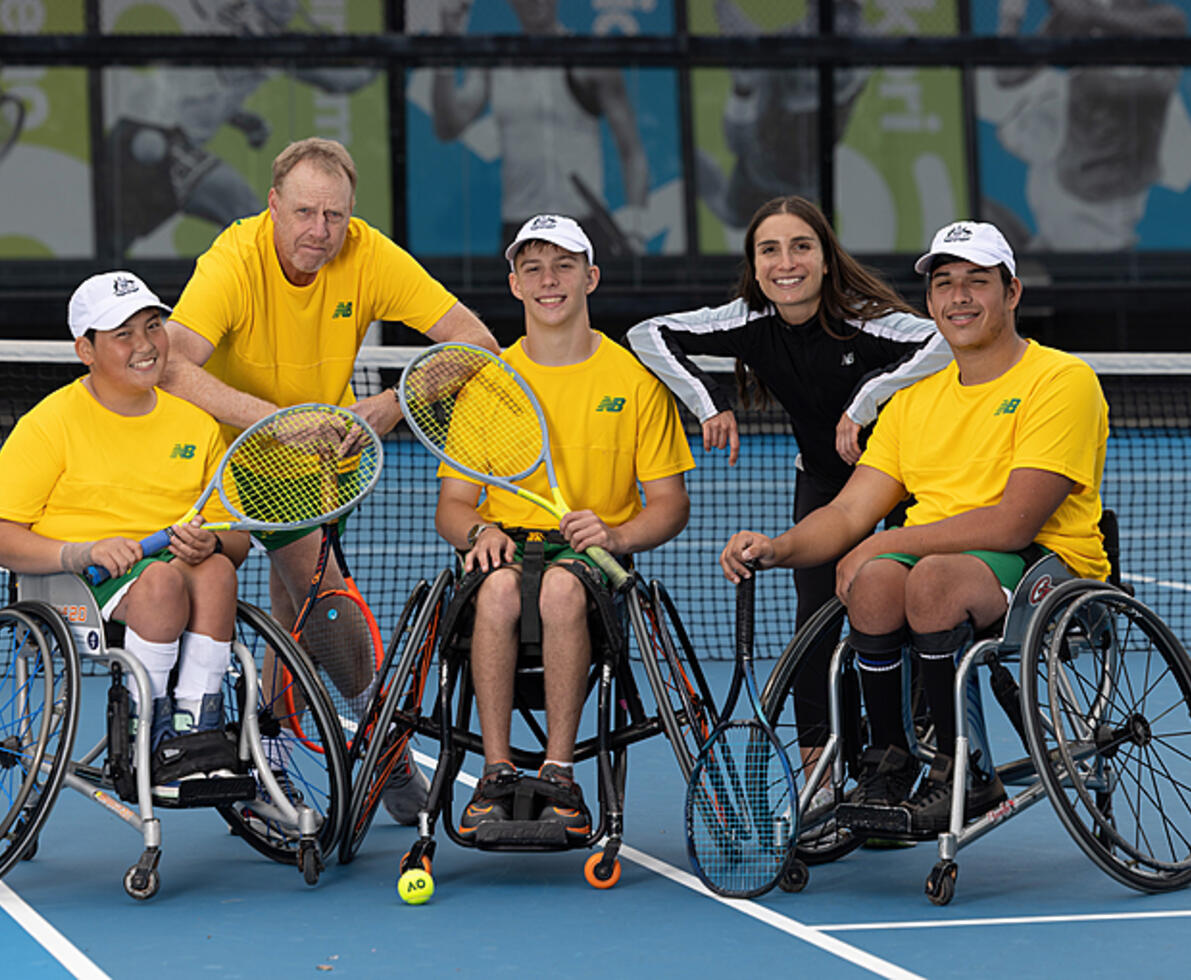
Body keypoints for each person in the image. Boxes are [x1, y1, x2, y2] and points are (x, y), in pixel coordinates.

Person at [720, 220, 1110, 834]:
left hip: (1044, 564)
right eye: (944, 284)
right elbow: (848, 513)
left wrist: (885, 541)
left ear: (1012, 292)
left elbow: (1014, 523)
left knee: (925, 580)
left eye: (976, 283)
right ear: (929, 302)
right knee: (876, 584)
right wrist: (780, 547)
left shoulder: (1062, 381)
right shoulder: (913, 401)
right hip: (941, 563)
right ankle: (891, 761)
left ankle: (964, 769)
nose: (958, 298)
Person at [160, 136, 499, 824]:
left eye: (335, 216)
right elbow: (170, 364)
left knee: (292, 614)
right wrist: (273, 421)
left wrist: (394, 401)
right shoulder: (233, 259)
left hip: (322, 470)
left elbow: (477, 345)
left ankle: (270, 752)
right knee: (326, 600)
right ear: (273, 205)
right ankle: (389, 753)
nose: (321, 231)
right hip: (230, 460)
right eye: (307, 213)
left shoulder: (367, 253)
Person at [627, 195, 951, 784]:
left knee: (903, 608)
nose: (786, 262)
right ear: (754, 266)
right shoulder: (749, 322)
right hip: (826, 480)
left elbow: (945, 341)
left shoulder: (870, 319)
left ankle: (917, 748)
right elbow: (647, 333)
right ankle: (819, 775)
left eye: (801, 246)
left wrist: (866, 398)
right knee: (815, 622)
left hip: (911, 479)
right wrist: (708, 403)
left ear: (827, 258)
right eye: (769, 250)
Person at [434, 214, 694, 838]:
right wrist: (478, 533)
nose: (549, 280)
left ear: (591, 277)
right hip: (501, 556)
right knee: (497, 589)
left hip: (592, 564)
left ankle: (560, 773)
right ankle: (495, 774)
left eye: (564, 266)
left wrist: (616, 535)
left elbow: (669, 503)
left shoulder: (634, 382)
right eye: (533, 268)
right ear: (516, 284)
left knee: (560, 587)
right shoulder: (487, 384)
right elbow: (453, 506)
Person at [0, 271, 253, 797]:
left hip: (169, 571)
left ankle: (197, 729)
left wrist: (212, 542)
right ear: (85, 350)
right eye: (123, 334)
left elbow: (237, 538)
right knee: (160, 583)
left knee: (218, 569)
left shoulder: (197, 424)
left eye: (153, 326)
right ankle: (148, 732)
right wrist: (79, 551)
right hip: (75, 583)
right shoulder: (48, 425)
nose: (146, 345)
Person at [105, 0, 377, 255]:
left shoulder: (223, 22)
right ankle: (265, 298)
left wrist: (242, 119)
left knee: (114, 244)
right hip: (161, 141)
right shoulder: (263, 40)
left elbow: (200, 88)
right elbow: (342, 81)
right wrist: (384, 57)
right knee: (248, 216)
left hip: (126, 138)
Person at [430, 0, 651, 257]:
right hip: (521, 227)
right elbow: (448, 127)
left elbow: (632, 152)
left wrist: (636, 229)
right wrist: (444, 48)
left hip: (584, 224)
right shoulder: (495, 63)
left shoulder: (589, 59)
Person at [993, 0, 1187, 251]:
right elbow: (1007, 76)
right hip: (1070, 194)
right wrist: (1011, 17)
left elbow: (1090, 14)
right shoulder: (1075, 20)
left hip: (1123, 200)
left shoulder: (1165, 20)